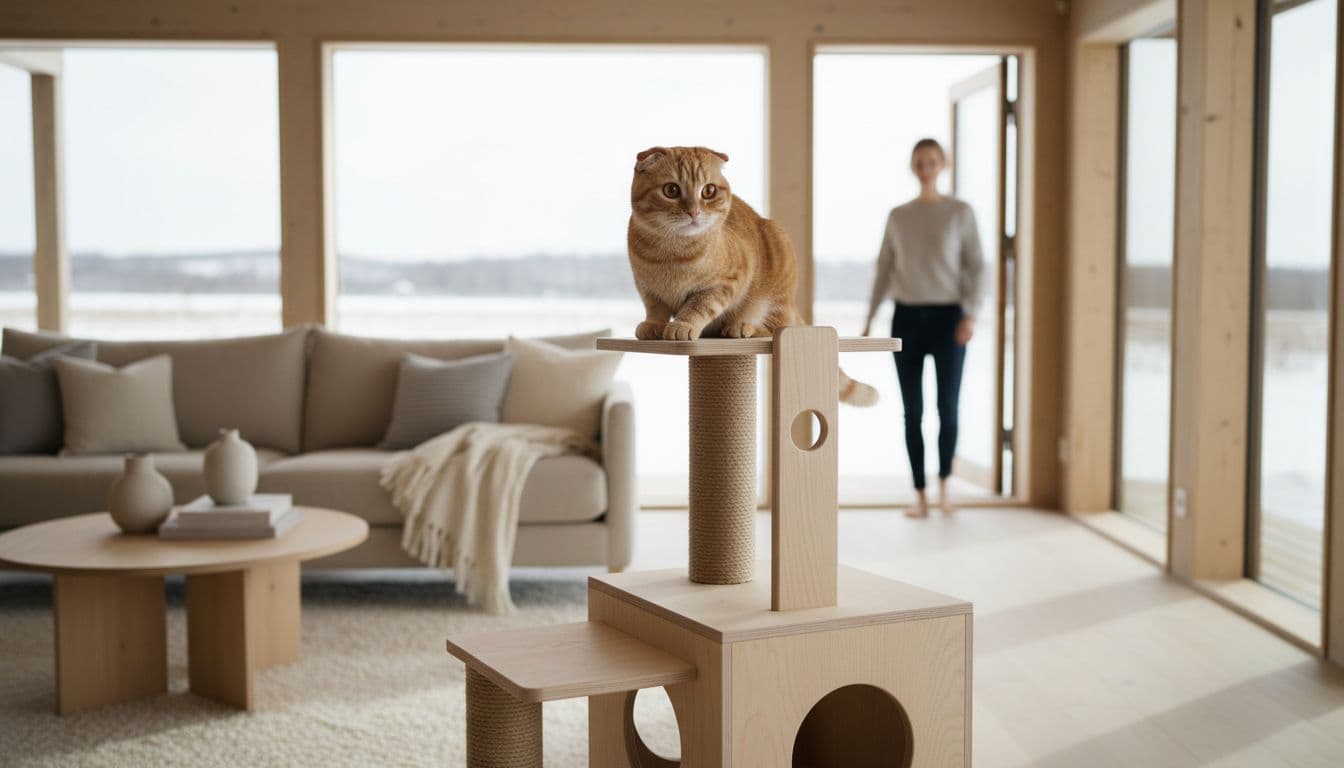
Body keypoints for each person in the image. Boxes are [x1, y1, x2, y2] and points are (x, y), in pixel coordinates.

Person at [861, 138, 984, 518]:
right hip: (907, 319)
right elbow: (884, 269)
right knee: (911, 411)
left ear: (942, 164)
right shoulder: (898, 216)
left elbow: (977, 266)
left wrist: (971, 315)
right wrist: (869, 320)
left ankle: (945, 486)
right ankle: (919, 493)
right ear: (913, 166)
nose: (925, 166)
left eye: (932, 160)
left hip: (950, 320)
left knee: (947, 406)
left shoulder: (960, 212)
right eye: (919, 161)